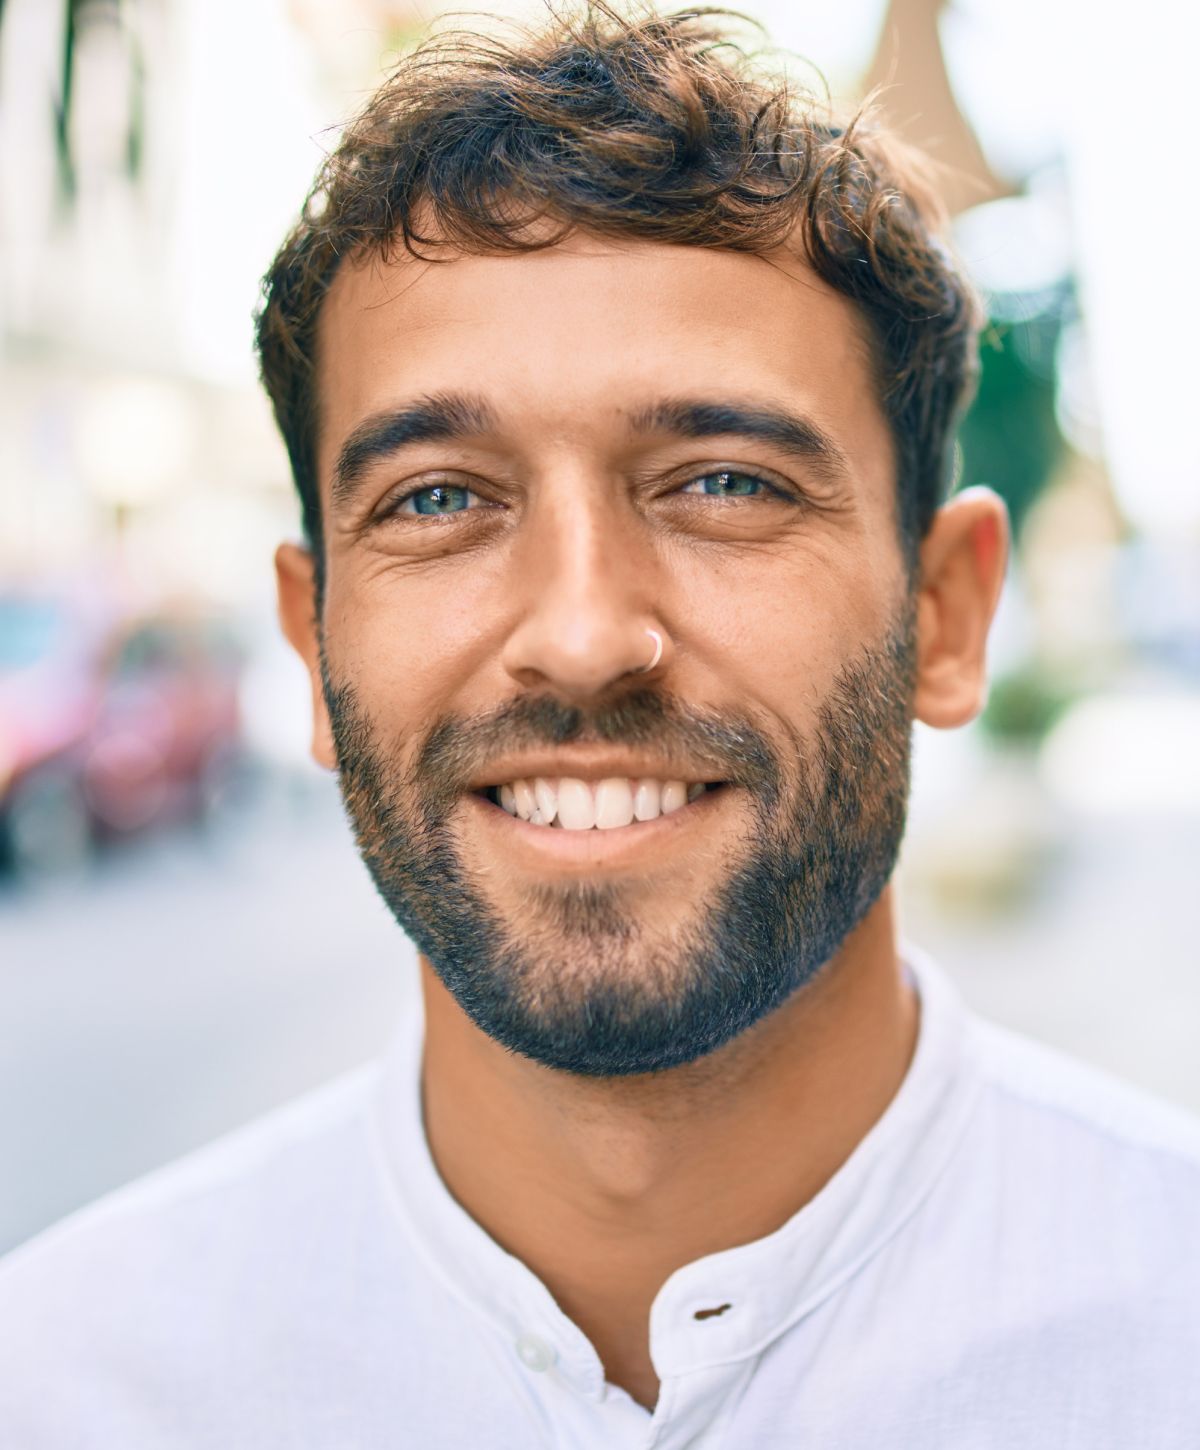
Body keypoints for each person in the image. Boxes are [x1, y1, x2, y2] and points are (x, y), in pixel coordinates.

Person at [3, 5, 1198, 1445]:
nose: (580, 633)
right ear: (312, 643)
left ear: (946, 612)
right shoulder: (68, 1380)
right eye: (439, 497)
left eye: (725, 483)